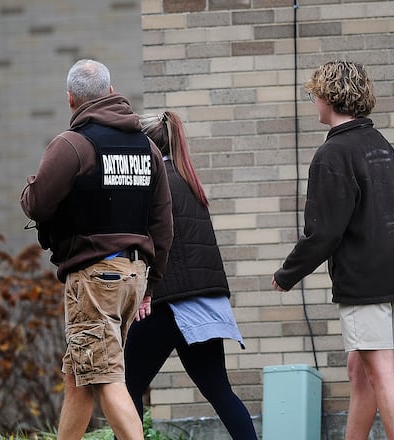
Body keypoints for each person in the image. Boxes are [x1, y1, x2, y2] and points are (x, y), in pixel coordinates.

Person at [20, 59, 173, 440]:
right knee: (80, 375)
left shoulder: (73, 144)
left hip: (94, 278)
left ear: (71, 99)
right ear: (110, 91)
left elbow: (36, 204)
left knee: (103, 376)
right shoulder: (147, 147)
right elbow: (163, 225)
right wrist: (150, 285)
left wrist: (31, 185)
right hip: (133, 276)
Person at [271, 60, 394, 440]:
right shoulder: (381, 145)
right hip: (393, 276)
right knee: (361, 370)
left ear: (328, 97)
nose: (314, 102)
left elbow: (323, 232)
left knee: (382, 371)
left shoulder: (333, 154)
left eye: (314, 95)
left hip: (364, 279)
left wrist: (287, 274)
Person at [122, 111, 258, 439]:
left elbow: (147, 244)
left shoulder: (152, 184)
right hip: (204, 302)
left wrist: (143, 291)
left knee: (127, 387)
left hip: (167, 299)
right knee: (220, 391)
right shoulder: (187, 179)